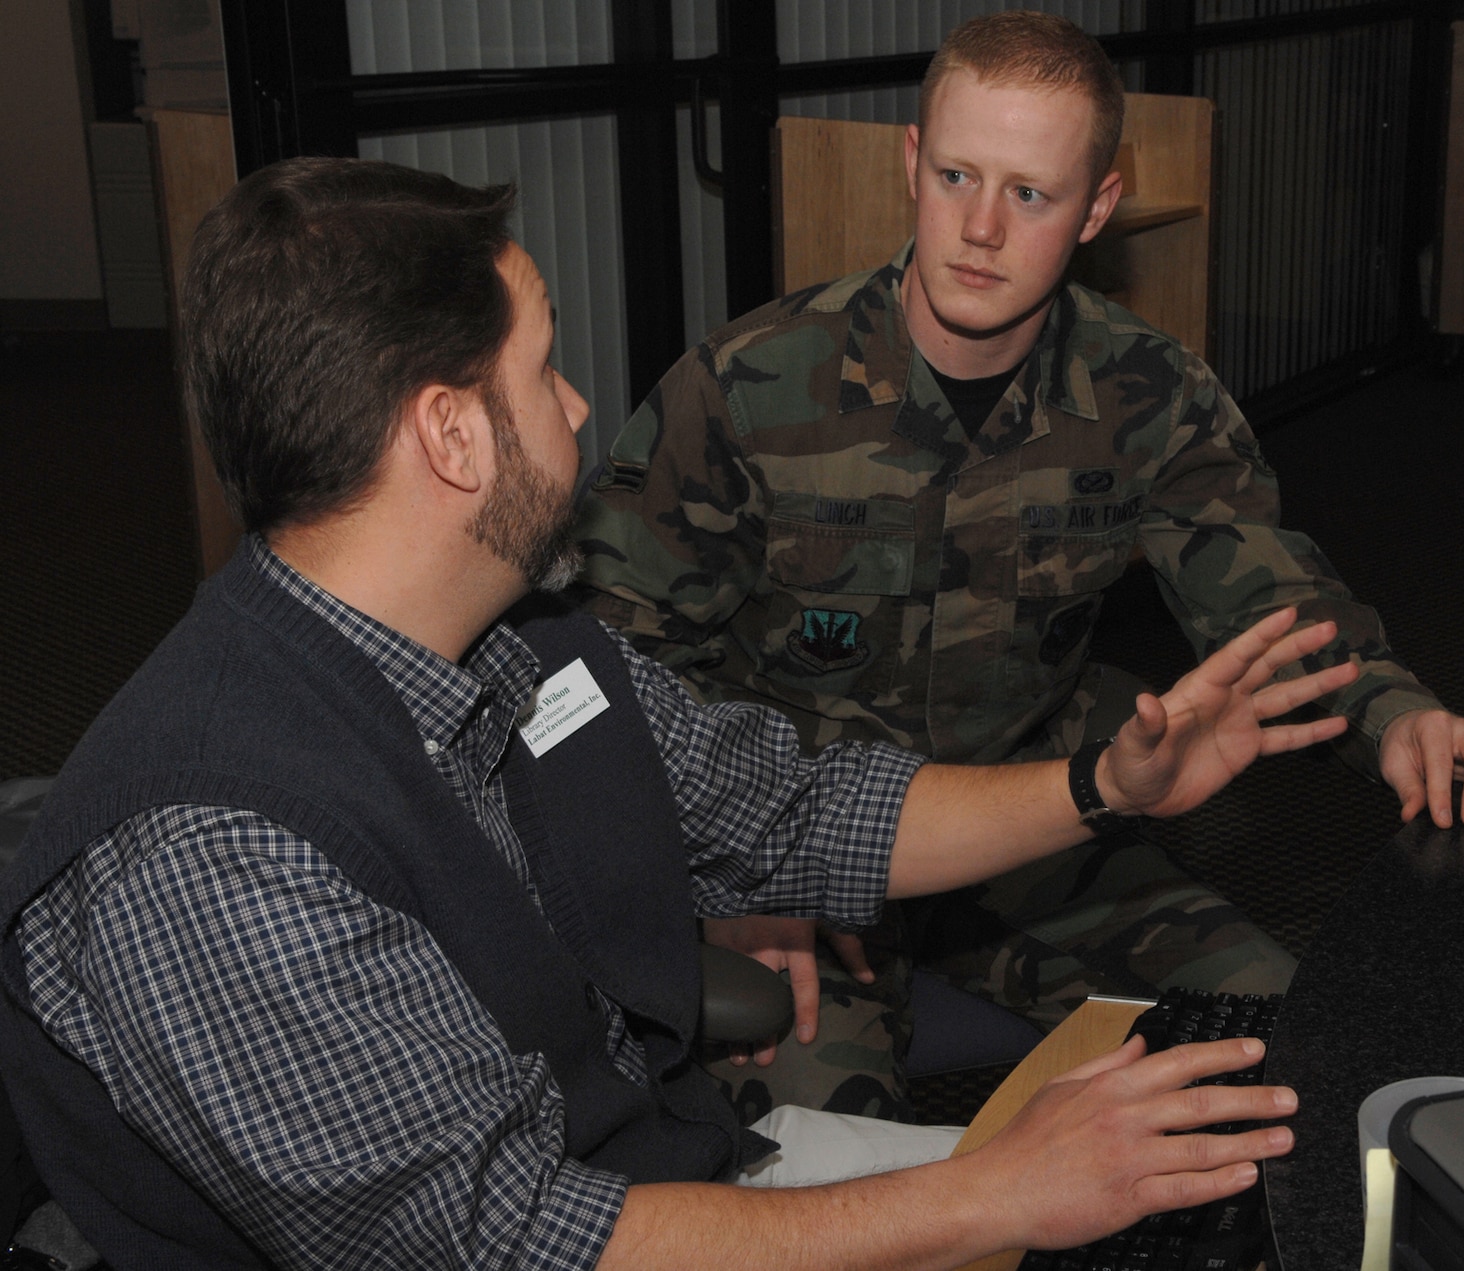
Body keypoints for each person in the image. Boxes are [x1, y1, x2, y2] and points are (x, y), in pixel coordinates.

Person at [0, 157, 1352, 1270]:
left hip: (663, 1166)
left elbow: (794, 805)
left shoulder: (522, 647)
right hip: (575, 1239)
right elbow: (505, 1238)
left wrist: (1102, 787)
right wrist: (1000, 1193)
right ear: (453, 436)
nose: (581, 405)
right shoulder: (219, 851)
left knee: (1208, 1190)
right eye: (543, 371)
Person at [575, 10, 1464, 1120]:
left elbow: (1270, 596)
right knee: (808, 1159)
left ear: (1097, 208)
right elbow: (606, 666)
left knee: (1286, 1040)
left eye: (1029, 193)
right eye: (955, 176)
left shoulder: (1147, 394)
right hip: (802, 865)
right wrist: (714, 876)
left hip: (1030, 829)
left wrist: (1396, 714)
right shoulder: (746, 388)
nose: (979, 228)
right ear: (909, 165)